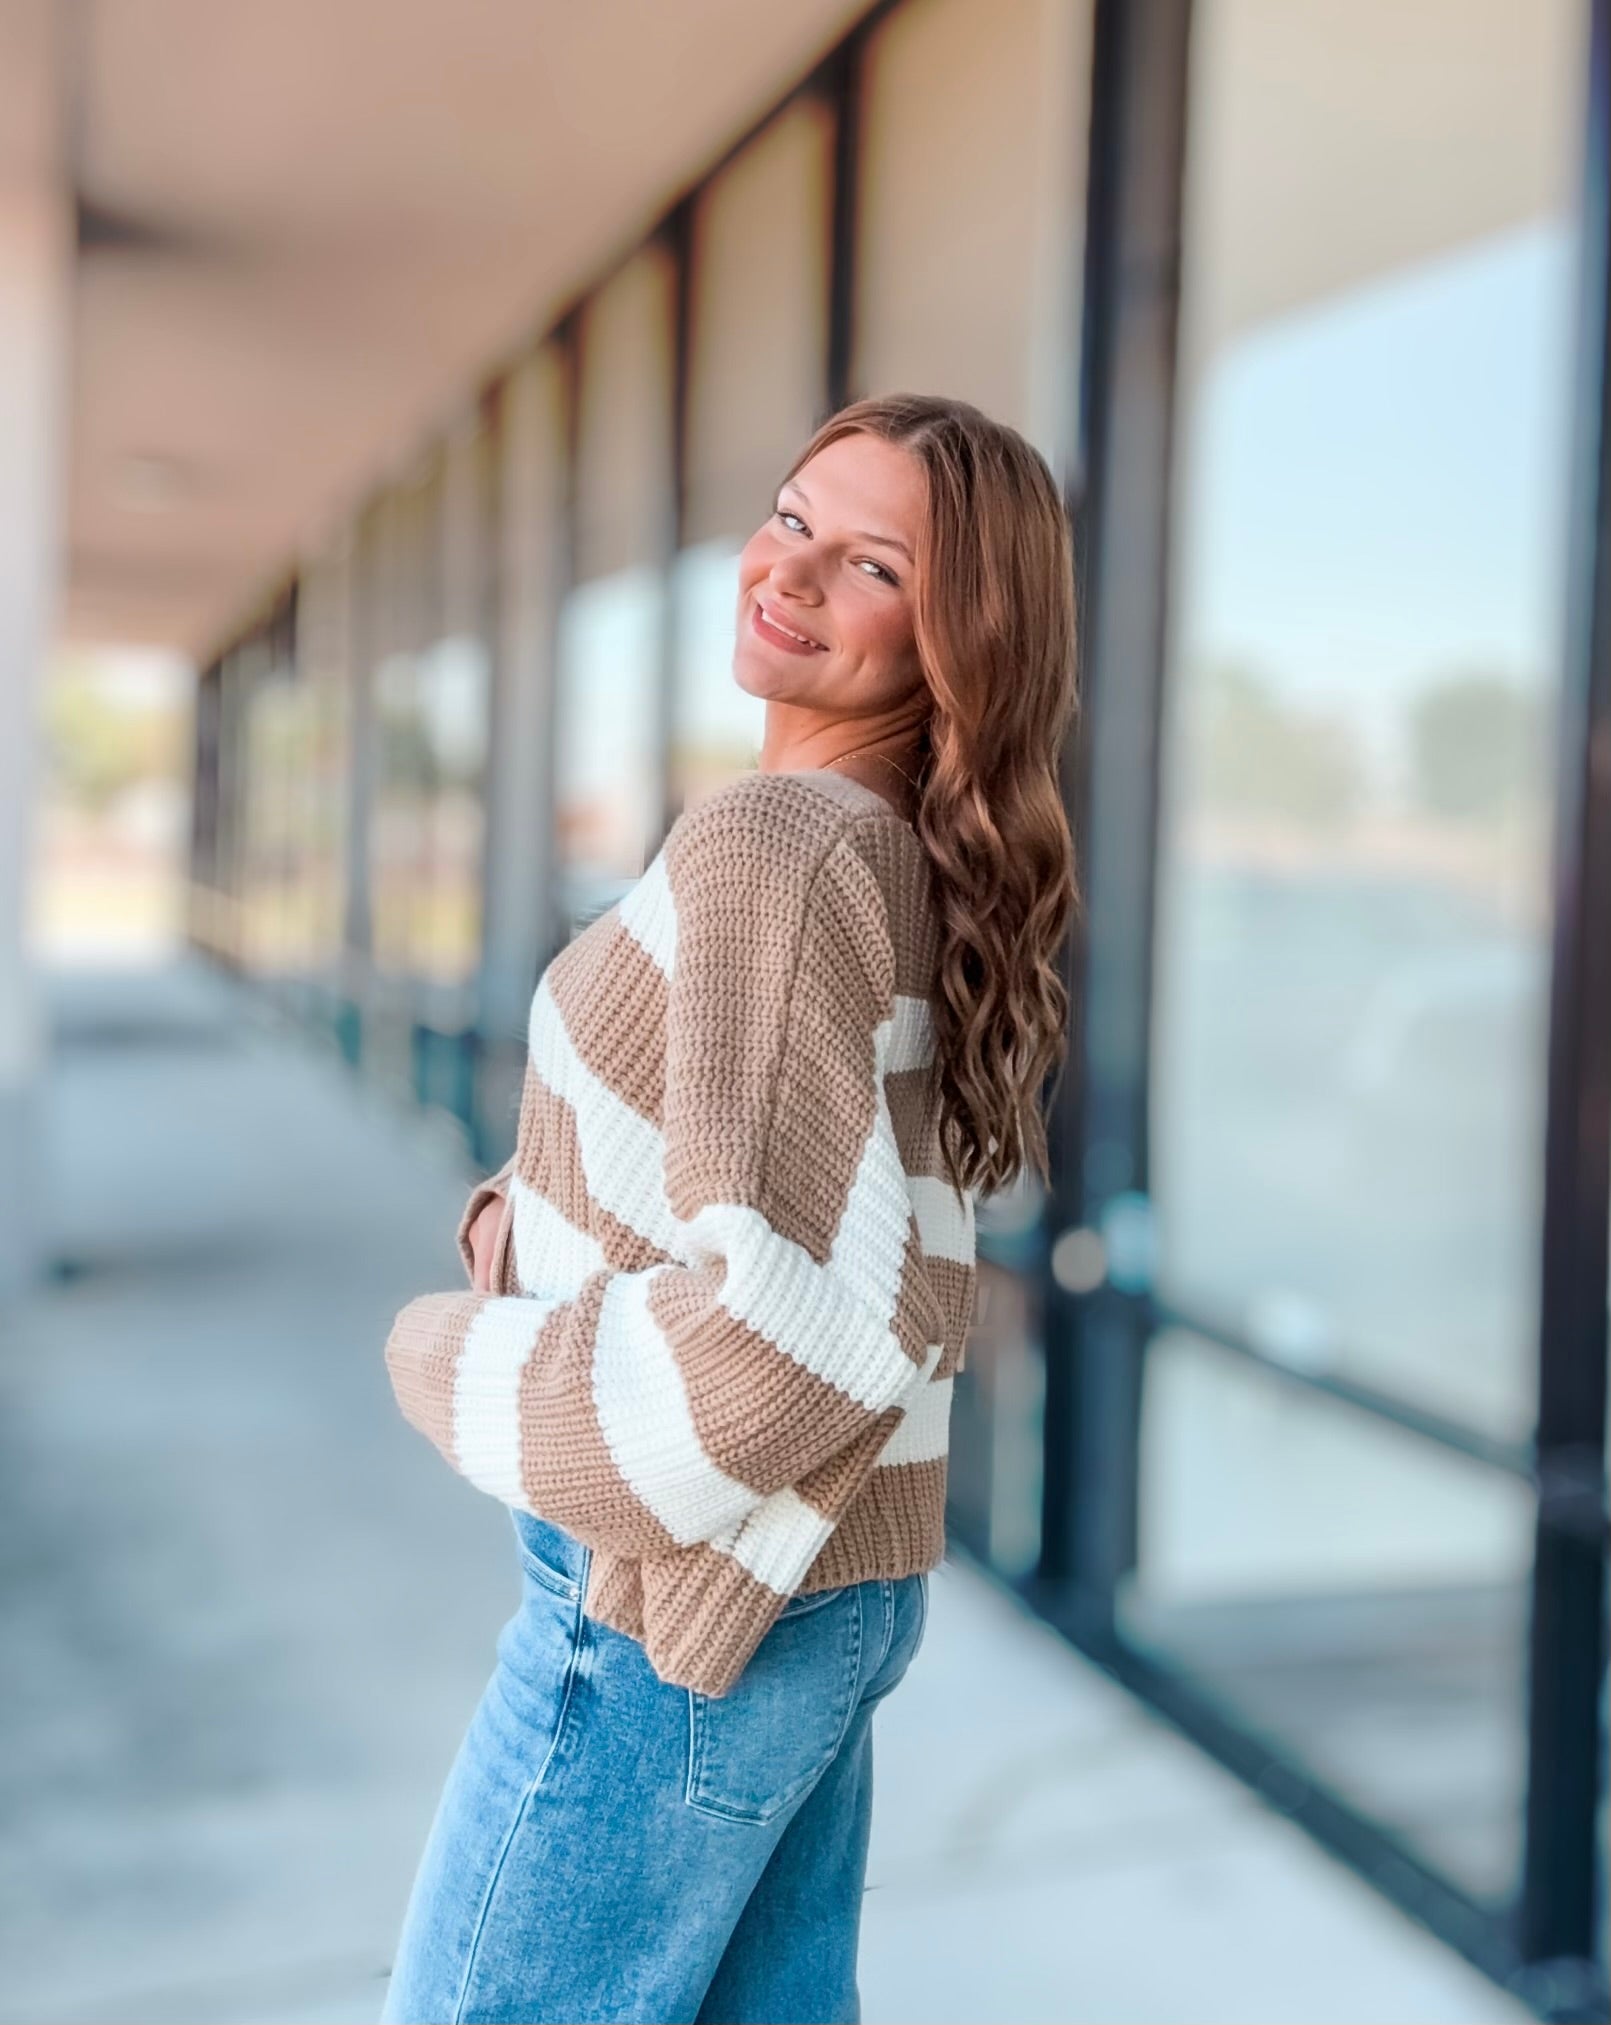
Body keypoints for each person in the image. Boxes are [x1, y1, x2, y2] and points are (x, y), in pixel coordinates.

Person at [378, 392, 1080, 2024]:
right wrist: (522, 1218)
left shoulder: (779, 841)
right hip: (816, 1586)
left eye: (872, 564)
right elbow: (833, 1221)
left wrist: (456, 1356)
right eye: (789, 517)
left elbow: (794, 1327)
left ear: (953, 639)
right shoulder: (885, 849)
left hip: (679, 1613)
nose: (792, 572)